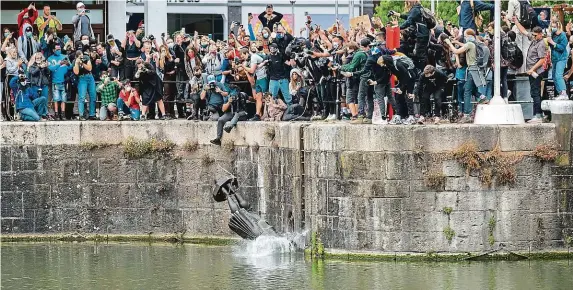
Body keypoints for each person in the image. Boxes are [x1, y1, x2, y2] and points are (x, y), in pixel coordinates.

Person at [445, 29, 487, 123]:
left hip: (472, 70)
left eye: (465, 36)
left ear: (469, 35)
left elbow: (456, 51)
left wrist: (449, 43)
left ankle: (467, 114)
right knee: (468, 88)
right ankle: (482, 97)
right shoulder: (474, 43)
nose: (465, 37)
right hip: (476, 69)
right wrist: (457, 42)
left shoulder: (469, 44)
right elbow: (464, 46)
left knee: (466, 91)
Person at [513, 18, 547, 123]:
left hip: (536, 72)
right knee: (534, 93)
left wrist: (532, 69)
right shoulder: (534, 40)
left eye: (535, 35)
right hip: (531, 72)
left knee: (535, 92)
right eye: (533, 35)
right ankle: (539, 113)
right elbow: (524, 32)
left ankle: (538, 115)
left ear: (540, 34)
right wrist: (516, 22)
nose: (533, 37)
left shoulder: (541, 44)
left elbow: (542, 60)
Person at [240, 47, 268, 121]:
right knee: (258, 97)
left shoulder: (253, 57)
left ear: (246, 53)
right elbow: (251, 80)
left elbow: (252, 70)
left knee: (265, 97)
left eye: (243, 56)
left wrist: (243, 66)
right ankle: (257, 115)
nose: (243, 58)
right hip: (258, 79)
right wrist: (245, 71)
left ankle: (266, 114)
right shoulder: (248, 61)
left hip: (264, 77)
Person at [546, 18, 569, 100]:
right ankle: (560, 92)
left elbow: (562, 47)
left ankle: (564, 92)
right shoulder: (552, 34)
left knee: (558, 75)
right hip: (554, 58)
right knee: (554, 76)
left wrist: (552, 42)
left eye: (554, 25)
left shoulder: (562, 34)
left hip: (561, 58)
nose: (552, 27)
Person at [48, 44, 71, 120]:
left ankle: (63, 114)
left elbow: (70, 67)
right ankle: (57, 114)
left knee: (63, 99)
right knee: (56, 99)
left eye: (59, 49)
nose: (59, 50)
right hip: (55, 81)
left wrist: (67, 63)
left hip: (64, 82)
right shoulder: (50, 58)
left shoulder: (65, 56)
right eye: (57, 49)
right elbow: (50, 68)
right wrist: (59, 64)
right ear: (53, 50)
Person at [73, 50, 97, 120]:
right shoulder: (74, 61)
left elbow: (90, 68)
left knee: (93, 96)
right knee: (82, 97)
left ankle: (92, 114)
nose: (82, 57)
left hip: (90, 77)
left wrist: (83, 63)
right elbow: (76, 72)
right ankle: (81, 115)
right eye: (80, 57)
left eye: (82, 55)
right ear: (77, 57)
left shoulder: (86, 57)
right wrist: (77, 63)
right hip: (82, 78)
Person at [157, 45, 177, 118]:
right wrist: (162, 59)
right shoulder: (161, 59)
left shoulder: (172, 56)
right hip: (166, 77)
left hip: (173, 77)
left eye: (164, 50)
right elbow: (162, 69)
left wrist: (174, 70)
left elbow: (176, 65)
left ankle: (172, 112)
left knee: (172, 94)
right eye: (162, 51)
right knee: (166, 94)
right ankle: (167, 112)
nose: (163, 52)